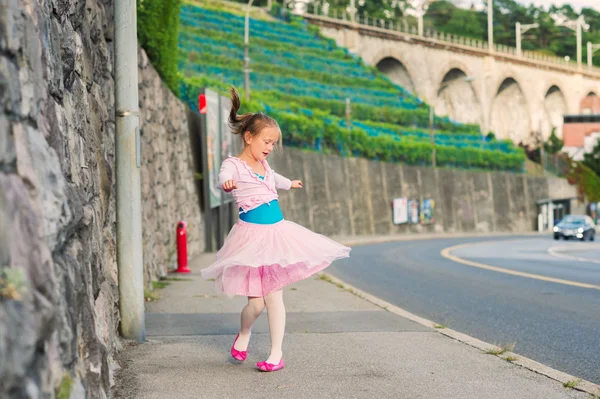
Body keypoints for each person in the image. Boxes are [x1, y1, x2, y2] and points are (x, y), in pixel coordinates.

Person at [200, 87, 351, 372]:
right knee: (255, 305)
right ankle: (244, 334)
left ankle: (275, 354)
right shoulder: (233, 164)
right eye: (266, 142)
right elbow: (224, 176)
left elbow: (274, 178)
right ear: (249, 137)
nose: (270, 147)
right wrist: (226, 183)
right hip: (251, 239)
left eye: (273, 143)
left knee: (274, 296)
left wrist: (289, 183)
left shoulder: (265, 165)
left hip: (277, 235)